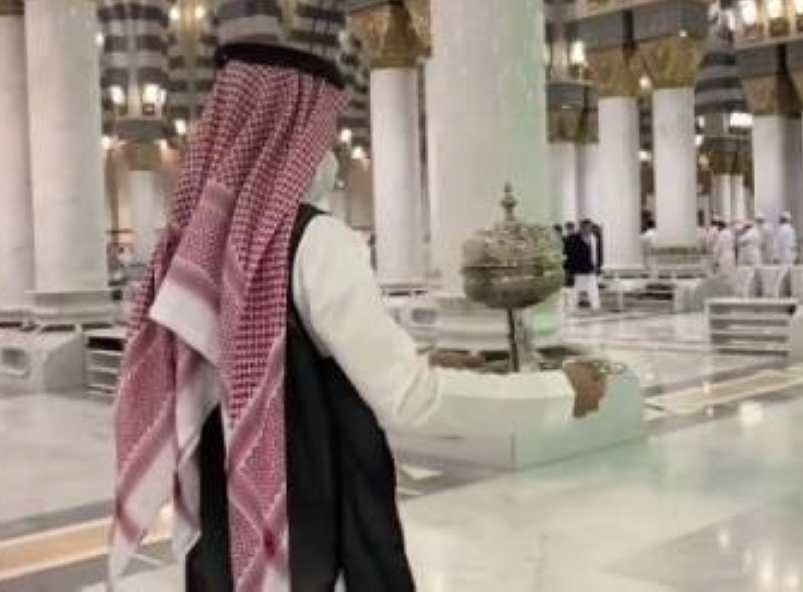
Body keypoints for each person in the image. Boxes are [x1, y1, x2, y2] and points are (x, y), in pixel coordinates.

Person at [110, 42, 601, 591]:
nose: (331, 155)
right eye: (323, 134)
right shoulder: (315, 240)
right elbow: (408, 398)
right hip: (310, 517)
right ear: (290, 139)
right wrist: (557, 391)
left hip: (224, 520)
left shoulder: (191, 248)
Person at [564, 220, 601, 312]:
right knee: (575, 289)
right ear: (581, 228)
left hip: (590, 268)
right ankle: (571, 307)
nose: (588, 229)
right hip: (577, 269)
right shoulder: (572, 239)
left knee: (593, 288)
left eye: (589, 227)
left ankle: (595, 306)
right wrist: (569, 270)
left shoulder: (593, 238)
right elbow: (569, 254)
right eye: (585, 227)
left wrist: (597, 266)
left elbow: (595, 254)